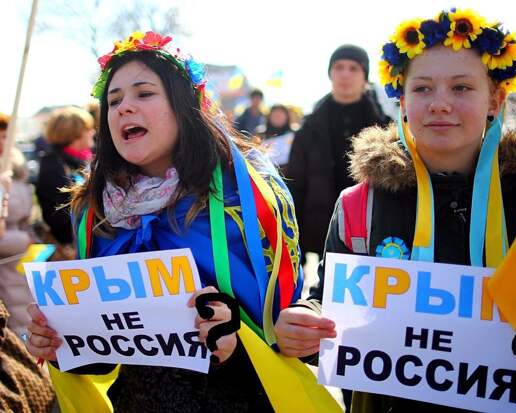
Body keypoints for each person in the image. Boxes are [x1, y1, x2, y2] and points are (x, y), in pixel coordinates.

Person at [275, 9, 516, 412]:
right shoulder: (359, 204)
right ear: (403, 102)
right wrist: (305, 321)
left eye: (461, 87)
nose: (440, 104)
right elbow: (328, 302)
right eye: (423, 88)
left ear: (495, 99)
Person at [24, 31, 302, 412]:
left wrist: (235, 347)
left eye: (144, 93)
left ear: (183, 105)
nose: (124, 108)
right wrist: (59, 343)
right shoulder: (95, 211)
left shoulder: (246, 197)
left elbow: (282, 336)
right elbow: (107, 353)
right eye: (114, 100)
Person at [287, 44, 391, 261]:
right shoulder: (309, 128)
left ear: (365, 76)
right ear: (330, 73)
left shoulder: (385, 128)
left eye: (353, 68)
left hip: (374, 232)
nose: (345, 74)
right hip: (320, 231)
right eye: (339, 67)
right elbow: (295, 185)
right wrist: (294, 243)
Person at [35, 106, 94, 259]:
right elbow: (56, 211)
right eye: (88, 129)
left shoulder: (82, 160)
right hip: (70, 246)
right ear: (75, 133)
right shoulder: (53, 164)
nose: (93, 132)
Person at [0, 112, 35, 337]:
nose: (3, 142)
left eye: (6, 136)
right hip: (6, 264)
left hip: (20, 262)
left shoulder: (15, 170)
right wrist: (22, 240)